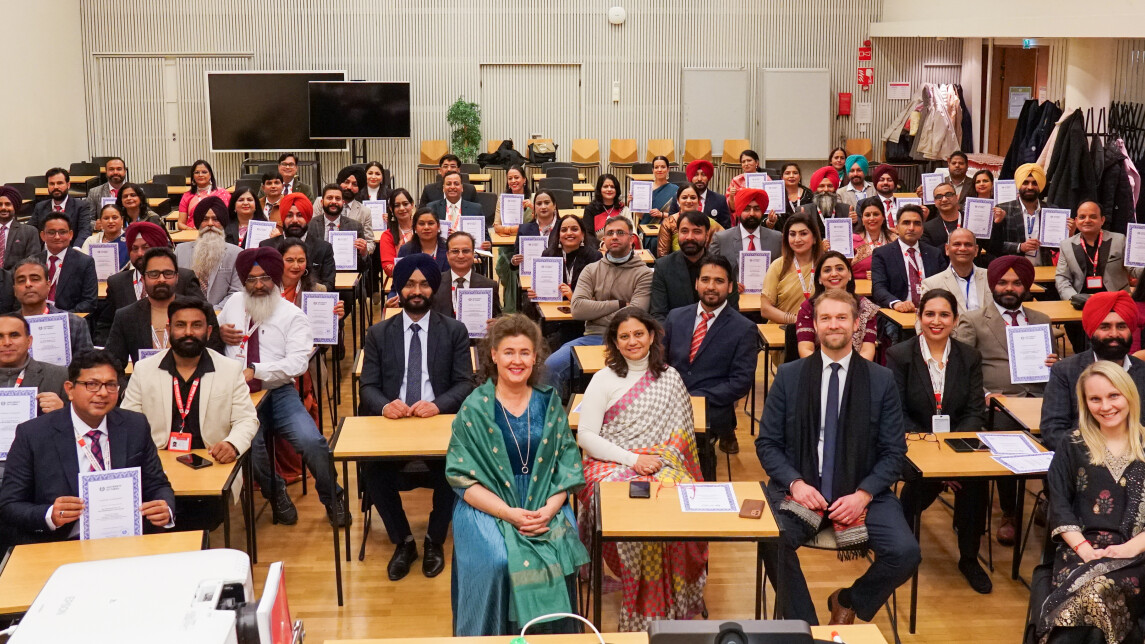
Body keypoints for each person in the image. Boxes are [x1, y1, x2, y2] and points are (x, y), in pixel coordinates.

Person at [756, 289, 918, 626]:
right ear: (814, 325)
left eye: (842, 318)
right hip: (801, 490)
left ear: (856, 324)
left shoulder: (881, 379)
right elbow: (768, 444)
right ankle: (808, 629)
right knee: (772, 541)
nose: (833, 325)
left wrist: (863, 494)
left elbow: (894, 452)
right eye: (825, 318)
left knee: (906, 553)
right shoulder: (789, 376)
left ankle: (848, 600)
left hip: (862, 490)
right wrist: (795, 483)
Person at [446, 314, 588, 635]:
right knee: (498, 560)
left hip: (543, 502)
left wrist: (549, 510)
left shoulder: (549, 403)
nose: (517, 360)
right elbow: (461, 478)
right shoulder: (475, 408)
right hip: (489, 503)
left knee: (559, 550)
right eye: (508, 352)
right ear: (493, 355)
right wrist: (509, 513)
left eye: (525, 352)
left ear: (535, 357)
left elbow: (566, 467)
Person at [575, 308, 707, 630]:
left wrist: (657, 462)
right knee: (631, 510)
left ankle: (676, 594)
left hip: (663, 463)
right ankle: (643, 603)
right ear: (615, 343)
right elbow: (587, 436)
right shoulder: (603, 380)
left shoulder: (670, 378)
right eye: (624, 336)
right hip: (609, 464)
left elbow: (680, 439)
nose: (632, 341)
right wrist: (633, 461)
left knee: (671, 502)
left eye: (638, 334)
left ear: (651, 336)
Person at [359, 253, 474, 580]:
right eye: (410, 284)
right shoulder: (379, 333)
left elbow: (465, 382)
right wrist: (384, 405)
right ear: (399, 288)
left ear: (433, 289)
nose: (417, 290)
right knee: (373, 469)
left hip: (436, 423)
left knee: (455, 467)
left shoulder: (454, 330)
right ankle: (404, 541)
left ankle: (434, 539)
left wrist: (438, 404)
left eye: (424, 284)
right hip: (393, 425)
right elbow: (367, 385)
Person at [217, 248, 348, 527]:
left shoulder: (292, 315)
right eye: (251, 280)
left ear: (275, 277)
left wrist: (257, 370)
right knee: (253, 447)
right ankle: (275, 493)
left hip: (277, 392)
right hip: (239, 397)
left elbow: (299, 363)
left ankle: (332, 496)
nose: (259, 285)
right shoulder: (232, 303)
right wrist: (217, 332)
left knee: (312, 442)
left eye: (265, 278)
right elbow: (215, 335)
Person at [0, 349, 176, 544]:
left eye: (110, 385)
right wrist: (50, 515)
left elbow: (158, 484)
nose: (102, 393)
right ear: (69, 389)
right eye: (91, 384)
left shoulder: (135, 425)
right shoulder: (33, 434)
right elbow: (9, 504)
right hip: (62, 544)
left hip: (126, 539)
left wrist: (165, 508)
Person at [121, 296, 258, 532]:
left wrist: (232, 444)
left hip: (209, 467)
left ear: (209, 330)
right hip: (158, 467)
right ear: (169, 328)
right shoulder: (144, 370)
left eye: (196, 325)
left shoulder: (229, 370)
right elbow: (128, 421)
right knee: (155, 517)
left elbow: (247, 419)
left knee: (200, 519)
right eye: (180, 325)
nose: (188, 332)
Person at [888, 289, 992, 593]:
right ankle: (902, 552)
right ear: (919, 318)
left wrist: (951, 458)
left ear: (955, 320)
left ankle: (969, 558)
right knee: (918, 483)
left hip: (957, 445)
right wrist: (936, 458)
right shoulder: (900, 355)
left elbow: (975, 411)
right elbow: (897, 412)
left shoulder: (969, 356)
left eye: (944, 315)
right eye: (929, 314)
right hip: (914, 443)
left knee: (975, 482)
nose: (936, 321)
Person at [1037, 361, 1145, 644]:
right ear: (1085, 403)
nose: (1105, 406)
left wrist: (1129, 548)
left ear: (1129, 395)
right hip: (1080, 550)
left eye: (1113, 396)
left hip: (1138, 552)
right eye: (1095, 399)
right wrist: (1085, 550)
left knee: (1096, 592)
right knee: (1089, 602)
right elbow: (1058, 504)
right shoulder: (1072, 444)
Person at [953, 255, 1056, 546]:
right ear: (993, 285)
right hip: (997, 404)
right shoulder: (973, 320)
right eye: (1003, 282)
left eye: (1017, 283)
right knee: (1008, 435)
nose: (1009, 288)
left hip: (1039, 399)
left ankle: (1052, 501)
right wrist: (985, 396)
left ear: (1026, 286)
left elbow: (1053, 372)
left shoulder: (1041, 321)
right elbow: (961, 371)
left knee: (1063, 435)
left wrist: (1054, 364)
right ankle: (1009, 512)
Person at [545, 216, 653, 396]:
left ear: (631, 238)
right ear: (604, 239)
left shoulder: (644, 274)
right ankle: (554, 419)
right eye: (610, 233)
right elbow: (578, 309)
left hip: (626, 340)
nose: (614, 237)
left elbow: (635, 316)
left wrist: (594, 310)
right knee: (549, 366)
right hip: (592, 337)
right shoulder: (592, 269)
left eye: (620, 233)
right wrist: (619, 304)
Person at [663, 255, 758, 454]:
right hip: (669, 399)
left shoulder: (744, 328)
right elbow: (660, 362)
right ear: (696, 283)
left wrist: (693, 399)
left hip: (712, 404)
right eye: (705, 280)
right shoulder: (675, 317)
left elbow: (740, 382)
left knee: (696, 453)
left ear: (730, 287)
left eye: (719, 281)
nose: (711, 286)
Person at [1041, 291, 1145, 453]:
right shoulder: (1065, 371)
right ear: (1091, 331)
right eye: (1105, 327)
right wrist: (1098, 454)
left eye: (1121, 326)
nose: (1114, 334)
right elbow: (1053, 430)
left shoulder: (1142, 372)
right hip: (1083, 463)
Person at [106, 247, 225, 365]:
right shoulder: (126, 316)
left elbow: (215, 359)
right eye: (154, 274)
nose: (161, 279)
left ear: (177, 277)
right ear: (143, 279)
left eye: (168, 273)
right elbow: (112, 365)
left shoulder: (202, 311)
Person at [99, 222, 200, 344]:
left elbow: (203, 318)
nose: (140, 253)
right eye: (134, 249)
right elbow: (105, 327)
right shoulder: (117, 283)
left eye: (146, 248)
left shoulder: (185, 278)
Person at [0, 313, 69, 488]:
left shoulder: (57, 375)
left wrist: (63, 412)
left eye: (14, 335)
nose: (6, 342)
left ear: (29, 341)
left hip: (38, 472)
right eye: (0, 336)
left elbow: (84, 426)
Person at [650, 211, 738, 321]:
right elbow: (658, 315)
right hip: (675, 333)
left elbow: (732, 313)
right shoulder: (663, 267)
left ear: (707, 235)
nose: (690, 237)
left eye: (697, 232)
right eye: (684, 231)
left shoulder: (722, 267)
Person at [796, 252, 878, 361]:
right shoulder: (808, 308)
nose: (834, 274)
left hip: (857, 370)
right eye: (827, 270)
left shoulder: (866, 307)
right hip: (818, 369)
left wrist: (850, 372)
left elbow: (867, 351)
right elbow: (805, 350)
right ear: (819, 278)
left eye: (839, 269)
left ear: (849, 275)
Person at [1056, 201, 1139, 302]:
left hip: (1116, 300)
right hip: (1082, 302)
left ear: (1102, 220)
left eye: (1093, 217)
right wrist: (1073, 298)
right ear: (1076, 221)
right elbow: (1062, 278)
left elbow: (1135, 270)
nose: (1087, 220)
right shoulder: (1066, 245)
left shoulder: (1120, 240)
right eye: (1082, 217)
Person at [870, 204, 947, 311]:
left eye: (917, 223)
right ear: (896, 228)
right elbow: (878, 288)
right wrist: (896, 304)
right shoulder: (882, 254)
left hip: (931, 311)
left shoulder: (934, 253)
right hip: (898, 313)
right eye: (906, 223)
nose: (911, 228)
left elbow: (945, 285)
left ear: (922, 229)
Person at [12, 258, 94, 354]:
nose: (28, 284)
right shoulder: (4, 325)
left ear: (48, 286)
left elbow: (87, 366)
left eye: (35, 279)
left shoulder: (74, 323)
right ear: (14, 290)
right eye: (21, 281)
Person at [988, 162, 1064, 266]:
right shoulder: (1004, 209)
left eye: (1034, 183)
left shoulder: (1051, 210)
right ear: (1019, 185)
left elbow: (1056, 246)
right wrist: (1020, 247)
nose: (1030, 187)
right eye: (1025, 183)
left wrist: (1069, 234)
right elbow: (994, 246)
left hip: (1044, 271)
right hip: (1013, 269)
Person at [173, 196, 243, 306]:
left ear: (223, 223)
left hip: (221, 315)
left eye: (215, 219)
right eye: (205, 219)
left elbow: (236, 293)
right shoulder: (180, 251)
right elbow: (174, 290)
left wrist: (212, 312)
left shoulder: (236, 254)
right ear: (198, 223)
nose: (210, 224)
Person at [258, 192, 335, 292]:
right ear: (283, 218)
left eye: (300, 215)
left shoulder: (323, 248)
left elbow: (329, 286)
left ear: (307, 219)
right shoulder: (267, 247)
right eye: (289, 215)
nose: (294, 220)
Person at [760, 214, 823, 325]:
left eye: (803, 234)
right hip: (782, 332)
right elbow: (765, 309)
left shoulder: (825, 265)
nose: (797, 239)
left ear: (814, 238)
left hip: (818, 332)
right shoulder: (778, 266)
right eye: (792, 234)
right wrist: (797, 321)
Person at [708, 187, 783, 277]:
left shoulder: (777, 238)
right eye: (747, 209)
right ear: (739, 211)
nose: (752, 213)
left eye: (756, 209)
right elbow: (711, 271)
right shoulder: (721, 239)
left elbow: (783, 272)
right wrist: (732, 284)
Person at [919, 227, 990, 318]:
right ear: (947, 249)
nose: (963, 248)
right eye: (957, 244)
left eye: (968, 244)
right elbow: (921, 321)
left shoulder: (992, 278)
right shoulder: (931, 284)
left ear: (976, 250)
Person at [430, 231, 501, 318]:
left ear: (473, 254)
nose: (460, 256)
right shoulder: (434, 283)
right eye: (455, 251)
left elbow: (498, 319)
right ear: (447, 255)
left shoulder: (489, 285)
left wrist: (495, 323)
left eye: (466, 251)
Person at [37, 212, 98, 313]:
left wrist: (62, 317)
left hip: (70, 320)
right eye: (51, 232)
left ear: (70, 235)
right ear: (43, 235)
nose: (57, 237)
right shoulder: (33, 262)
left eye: (62, 232)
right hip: (37, 319)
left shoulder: (84, 262)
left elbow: (89, 302)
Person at [315, 166, 375, 255]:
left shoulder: (364, 212)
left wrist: (364, 249)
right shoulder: (321, 203)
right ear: (340, 182)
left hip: (349, 260)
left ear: (359, 188)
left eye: (355, 184)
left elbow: (370, 243)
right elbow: (311, 231)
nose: (349, 187)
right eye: (346, 182)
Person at [309, 184, 370, 267]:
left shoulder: (355, 227)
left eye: (338, 199)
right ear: (322, 202)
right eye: (329, 198)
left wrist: (364, 253)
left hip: (346, 275)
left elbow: (363, 266)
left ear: (343, 202)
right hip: (318, 276)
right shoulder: (310, 225)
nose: (334, 201)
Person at [656, 184, 724, 258]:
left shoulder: (710, 224)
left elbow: (722, 248)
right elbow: (662, 255)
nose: (688, 201)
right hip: (675, 266)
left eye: (693, 198)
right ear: (678, 201)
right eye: (684, 197)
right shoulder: (669, 223)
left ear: (699, 201)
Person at [30, 167, 92, 245]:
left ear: (68, 185)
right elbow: (30, 231)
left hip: (71, 251)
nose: (55, 187)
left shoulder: (81, 206)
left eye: (60, 183)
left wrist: (76, 250)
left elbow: (85, 231)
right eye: (52, 184)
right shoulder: (40, 207)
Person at [668, 160, 730, 229]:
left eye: (703, 175)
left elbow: (726, 229)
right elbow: (671, 224)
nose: (699, 179)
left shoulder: (720, 200)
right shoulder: (678, 198)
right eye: (696, 175)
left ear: (708, 178)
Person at [796, 166, 853, 235]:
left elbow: (855, 235)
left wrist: (854, 222)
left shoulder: (846, 210)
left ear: (835, 188)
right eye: (821, 186)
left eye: (830, 186)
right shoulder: (803, 210)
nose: (826, 190)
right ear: (815, 189)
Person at [850, 197, 896, 279]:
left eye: (876, 214)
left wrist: (882, 275)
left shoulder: (894, 240)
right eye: (867, 215)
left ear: (883, 217)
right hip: (858, 289)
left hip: (889, 289)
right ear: (862, 219)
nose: (872, 218)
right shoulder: (851, 241)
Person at [176, 160, 229, 231]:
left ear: (210, 175)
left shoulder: (222, 193)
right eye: (197, 172)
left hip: (216, 233)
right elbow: (180, 223)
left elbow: (226, 219)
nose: (200, 175)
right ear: (193, 176)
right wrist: (190, 230)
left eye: (204, 172)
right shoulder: (187, 195)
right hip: (193, 235)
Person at [0, 185, 44, 270]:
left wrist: (6, 277)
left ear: (15, 207)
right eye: (0, 204)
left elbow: (32, 262)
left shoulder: (29, 232)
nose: (3, 208)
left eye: (8, 204)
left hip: (16, 280)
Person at [396, 209, 449, 275]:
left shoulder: (448, 249)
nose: (426, 227)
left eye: (430, 223)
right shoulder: (406, 250)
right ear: (415, 228)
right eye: (421, 224)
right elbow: (398, 279)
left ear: (438, 226)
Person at [380, 188, 417, 278]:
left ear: (412, 205)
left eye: (405, 204)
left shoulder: (422, 229)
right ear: (391, 209)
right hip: (400, 280)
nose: (402, 208)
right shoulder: (388, 235)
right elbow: (388, 268)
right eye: (397, 205)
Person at [492, 165, 534, 237]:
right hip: (508, 238)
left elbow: (542, 224)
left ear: (524, 179)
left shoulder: (534, 198)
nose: (513, 181)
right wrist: (512, 229)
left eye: (516, 177)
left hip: (528, 238)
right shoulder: (502, 199)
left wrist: (533, 208)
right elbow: (496, 227)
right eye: (510, 178)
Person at [921, 181, 962, 249]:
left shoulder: (970, 221)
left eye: (948, 194)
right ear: (935, 202)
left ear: (957, 197)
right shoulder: (927, 228)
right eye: (939, 196)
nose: (944, 199)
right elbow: (928, 254)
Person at [774, 162, 813, 230]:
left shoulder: (809, 194)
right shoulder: (776, 194)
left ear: (800, 176)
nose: (791, 176)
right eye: (787, 173)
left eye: (795, 173)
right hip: (780, 234)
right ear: (782, 177)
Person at [641, 155, 678, 227]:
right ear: (653, 170)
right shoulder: (645, 189)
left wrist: (661, 214)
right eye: (656, 167)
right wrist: (634, 203)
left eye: (663, 167)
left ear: (668, 169)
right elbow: (642, 217)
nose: (659, 170)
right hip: (646, 229)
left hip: (667, 229)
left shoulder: (675, 190)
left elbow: (679, 215)